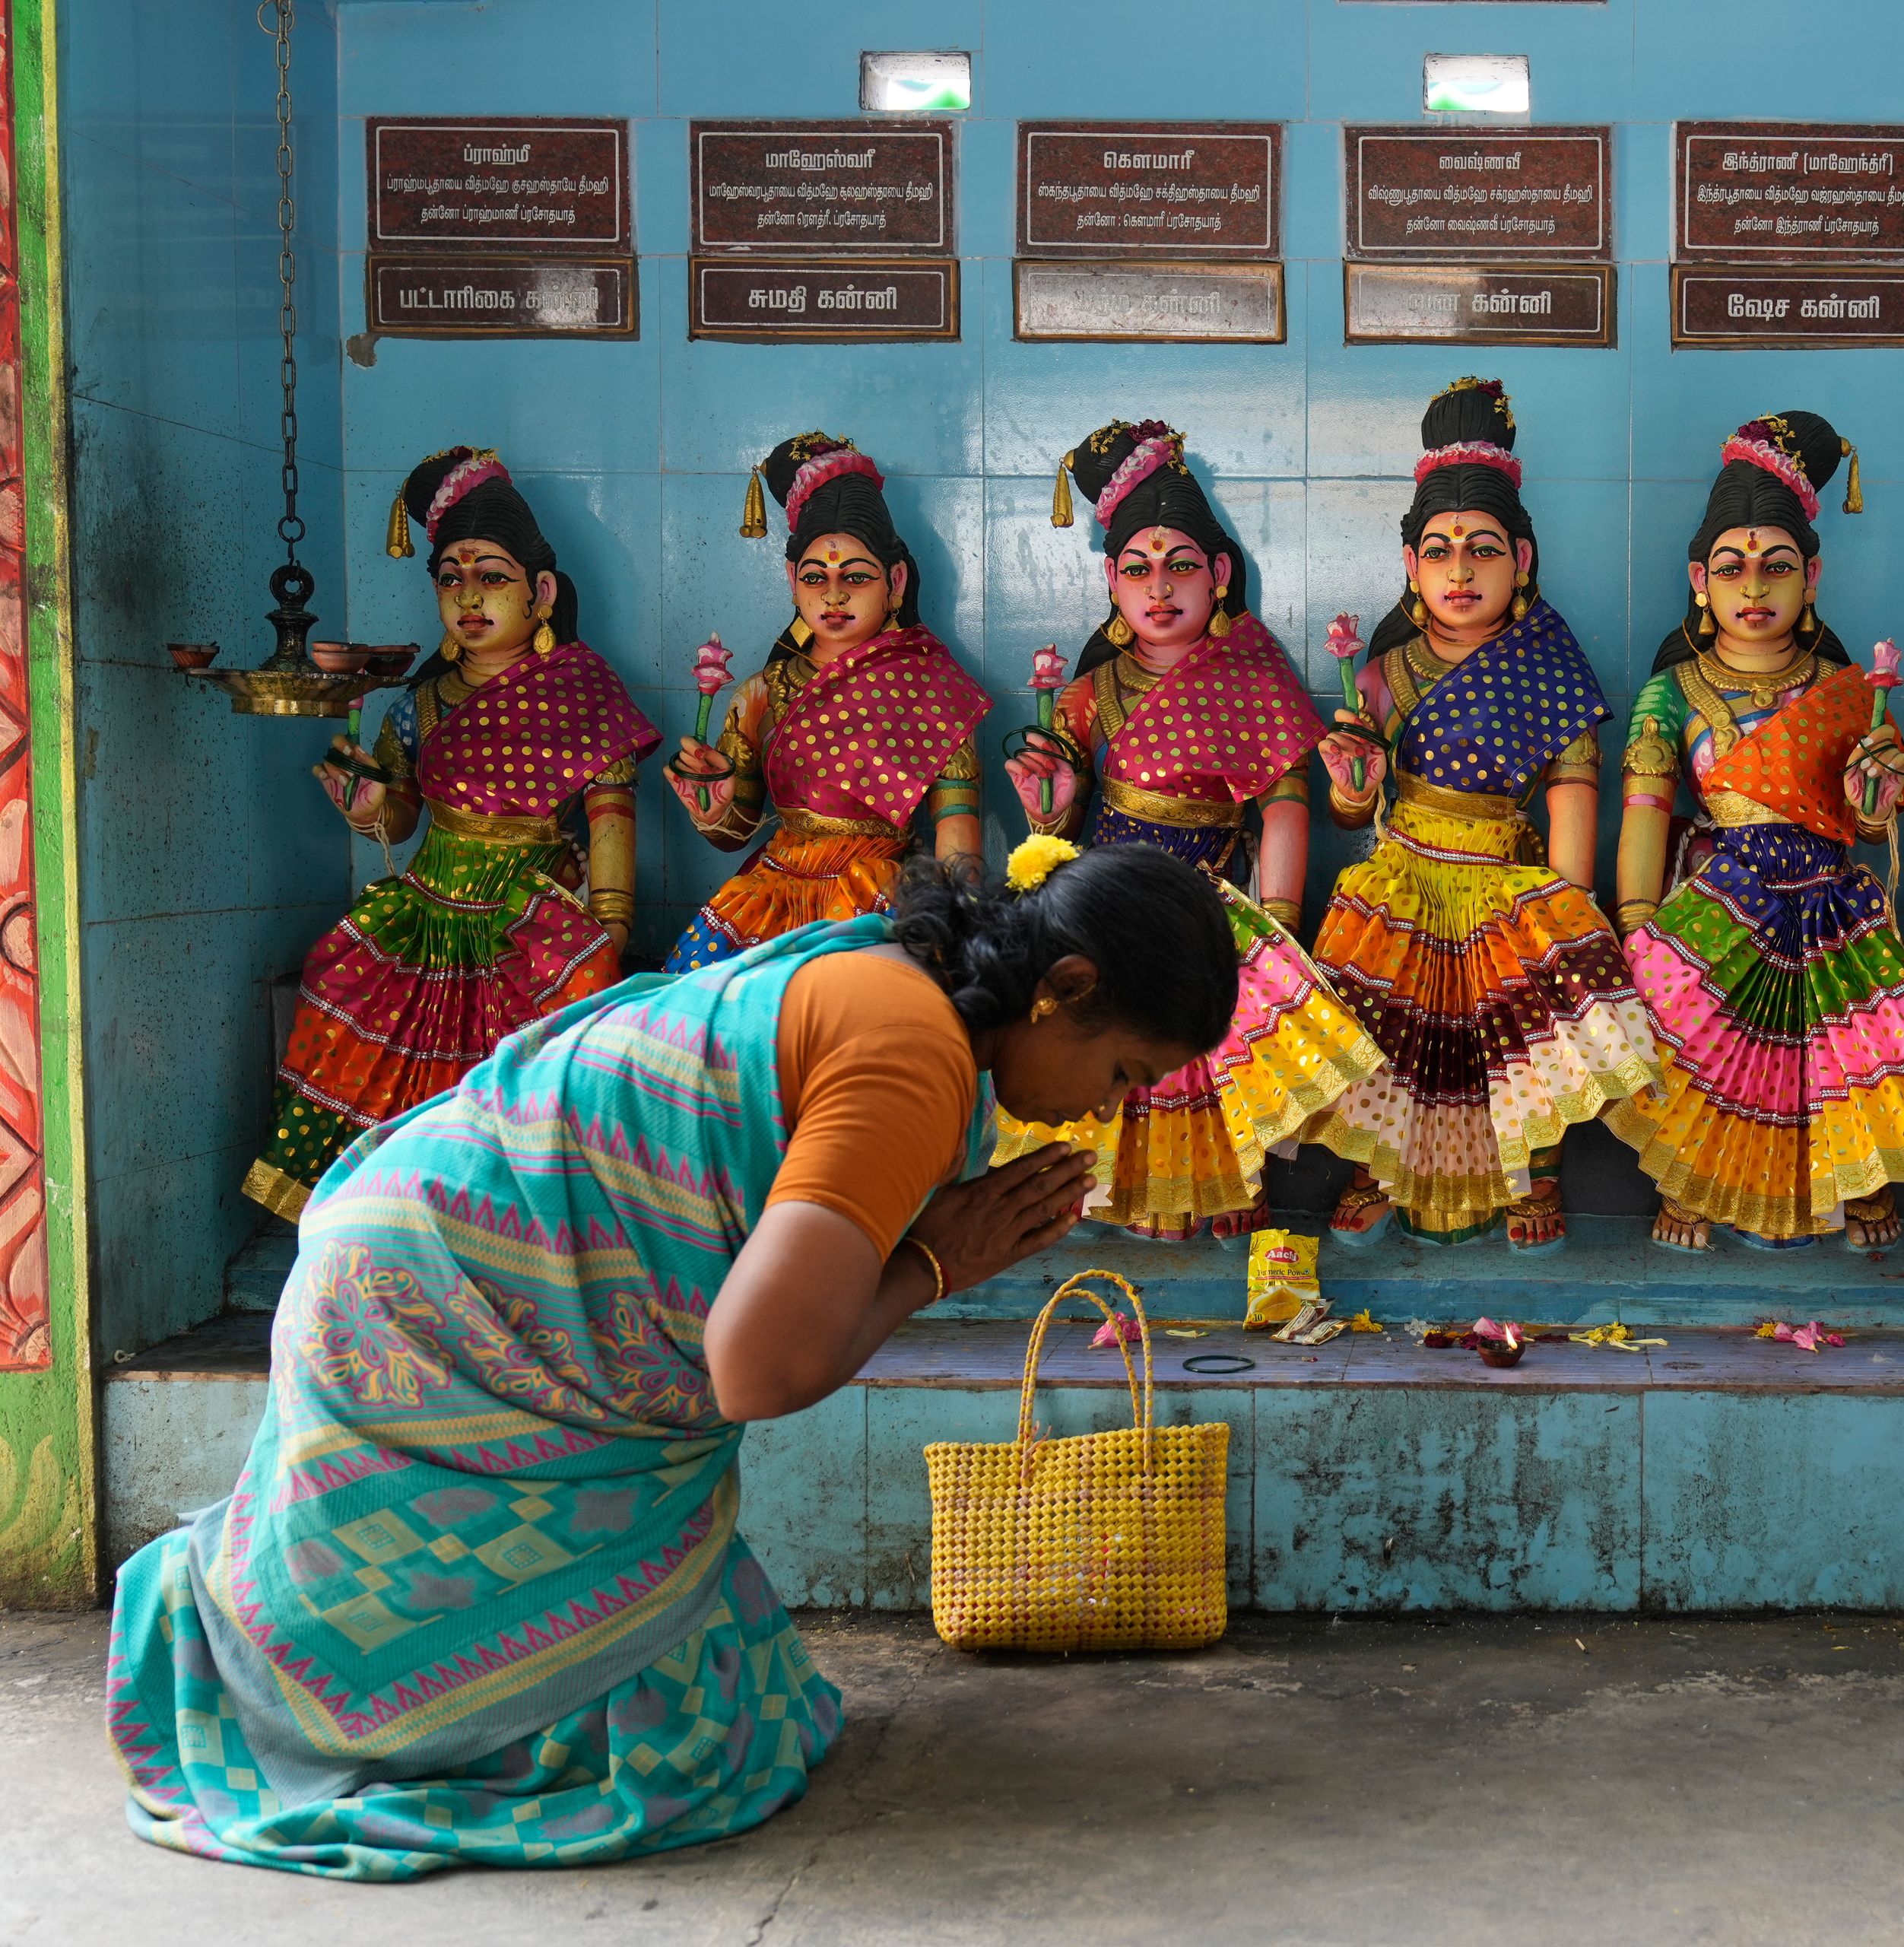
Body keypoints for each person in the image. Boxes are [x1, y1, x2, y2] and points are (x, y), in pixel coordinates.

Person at [108, 839, 1237, 1879]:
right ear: (1068, 988)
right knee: (680, 1757)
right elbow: (753, 1369)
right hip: (440, 1315)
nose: (1106, 1111)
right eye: (1128, 1076)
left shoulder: (897, 971)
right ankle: (321, 1694)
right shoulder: (912, 1058)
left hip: (413, 1240)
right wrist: (939, 1262)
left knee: (739, 1705)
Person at [245, 446, 658, 1221]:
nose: (469, 596)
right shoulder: (422, 701)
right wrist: (366, 803)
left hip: (530, 909)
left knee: (562, 1014)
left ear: (540, 593)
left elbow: (610, 817)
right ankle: (377, 1206)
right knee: (336, 971)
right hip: (430, 901)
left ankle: (525, 1216)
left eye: (491, 576)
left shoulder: (584, 688)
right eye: (450, 577)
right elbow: (401, 814)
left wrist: (609, 925)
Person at [993, 418, 1380, 1240]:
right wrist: (1048, 806)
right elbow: (1059, 821)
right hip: (1103, 900)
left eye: (1180, 568)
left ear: (1220, 575)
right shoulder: (1089, 693)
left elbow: (1283, 809)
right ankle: (1102, 1192)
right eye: (1137, 570)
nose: (1159, 589)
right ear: (1111, 581)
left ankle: (1214, 1187)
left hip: (1205, 904)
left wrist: (1277, 926)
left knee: (1203, 1050)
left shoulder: (1258, 680)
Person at [1307, 377, 1661, 1250]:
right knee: (1380, 1029)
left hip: (1508, 880)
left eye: (1482, 549)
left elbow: (1573, 804)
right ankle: (1376, 1169)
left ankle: (1529, 1171)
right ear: (1410, 566)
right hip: (1405, 876)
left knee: (1526, 1035)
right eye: (1438, 551)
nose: (1460, 572)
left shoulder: (1552, 670)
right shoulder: (1383, 672)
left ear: (1523, 561)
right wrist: (1353, 783)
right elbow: (1354, 813)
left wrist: (1566, 912)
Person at [1604, 410, 1904, 1250]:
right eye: (1732, 569)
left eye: (1777, 567)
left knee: (1859, 1041)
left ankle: (1855, 1180)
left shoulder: (1843, 688)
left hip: (1832, 898)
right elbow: (1646, 817)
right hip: (1724, 897)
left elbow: (1871, 826)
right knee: (1699, 1034)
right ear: (1700, 580)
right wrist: (1633, 925)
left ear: (1813, 577)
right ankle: (1698, 1181)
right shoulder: (1673, 693)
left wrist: (1870, 787)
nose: (1754, 588)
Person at [662, 431, 992, 970]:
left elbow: (957, 833)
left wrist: (962, 926)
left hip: (880, 891)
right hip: (770, 893)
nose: (833, 595)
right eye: (816, 577)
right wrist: (714, 807)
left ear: (896, 582)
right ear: (792, 581)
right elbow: (735, 832)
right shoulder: (761, 691)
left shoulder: (935, 688)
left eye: (856, 578)